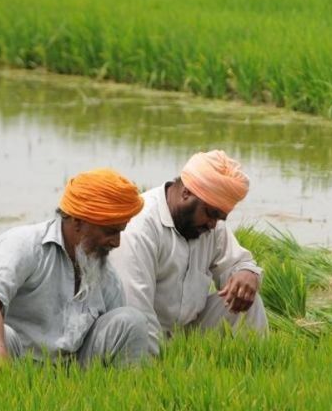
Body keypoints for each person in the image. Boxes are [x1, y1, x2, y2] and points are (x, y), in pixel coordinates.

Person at [0, 168, 156, 371]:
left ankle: (124, 390)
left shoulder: (107, 276)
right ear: (77, 221)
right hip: (4, 367)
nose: (117, 242)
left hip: (61, 377)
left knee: (131, 322)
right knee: (4, 336)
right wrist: (0, 368)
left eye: (120, 232)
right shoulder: (24, 246)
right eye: (110, 231)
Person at [109, 150, 268, 353]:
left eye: (219, 218)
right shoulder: (140, 227)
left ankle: (258, 363)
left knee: (247, 301)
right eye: (211, 214)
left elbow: (237, 264)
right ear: (186, 193)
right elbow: (137, 310)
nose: (213, 225)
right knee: (136, 322)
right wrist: (159, 368)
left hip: (185, 331)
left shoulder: (209, 226)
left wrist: (247, 273)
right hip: (140, 334)